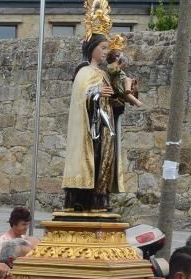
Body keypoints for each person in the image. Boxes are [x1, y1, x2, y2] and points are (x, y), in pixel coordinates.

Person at [62, 30, 123, 211]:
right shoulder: (84, 71)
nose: (105, 52)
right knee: (91, 159)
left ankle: (100, 197)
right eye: (102, 48)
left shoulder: (103, 73)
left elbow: (110, 98)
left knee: (105, 159)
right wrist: (96, 92)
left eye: (107, 48)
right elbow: (82, 96)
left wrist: (116, 100)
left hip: (105, 126)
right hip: (90, 129)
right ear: (92, 48)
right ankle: (83, 199)